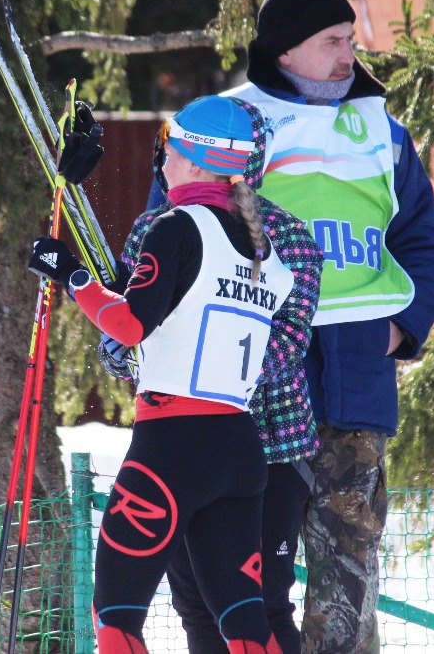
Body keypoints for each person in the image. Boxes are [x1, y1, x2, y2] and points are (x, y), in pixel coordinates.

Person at [27, 95, 302, 654]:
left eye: (167, 150)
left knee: (118, 614)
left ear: (199, 162)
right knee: (245, 622)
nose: (161, 164)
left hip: (173, 448)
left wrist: (71, 275)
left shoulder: (176, 227)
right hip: (239, 452)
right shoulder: (266, 249)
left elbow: (129, 325)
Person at [225, 0, 434, 654]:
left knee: (346, 582)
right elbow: (179, 225)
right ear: (285, 50)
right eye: (330, 42)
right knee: (249, 575)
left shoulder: (382, 129)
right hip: (255, 390)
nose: (347, 55)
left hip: (355, 384)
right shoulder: (229, 122)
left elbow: (423, 239)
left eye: (349, 40)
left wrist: (402, 327)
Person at [101, 98, 323, 654]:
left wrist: (205, 360)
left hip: (270, 446)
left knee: (264, 604)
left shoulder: (287, 237)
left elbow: (287, 346)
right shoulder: (155, 225)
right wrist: (141, 348)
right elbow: (119, 340)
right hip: (180, 444)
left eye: (170, 149)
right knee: (198, 609)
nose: (161, 161)